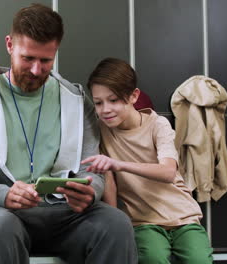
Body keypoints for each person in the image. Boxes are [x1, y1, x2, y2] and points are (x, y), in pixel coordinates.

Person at [0, 4, 137, 264]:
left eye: (46, 60)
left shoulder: (76, 99)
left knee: (116, 224)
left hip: (63, 212)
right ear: (9, 45)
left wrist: (91, 192)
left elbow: (92, 169)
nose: (37, 70)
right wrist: (1, 194)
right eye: (28, 58)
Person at [82, 57, 213, 264]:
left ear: (133, 96)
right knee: (153, 258)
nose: (105, 109)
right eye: (98, 103)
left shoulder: (158, 125)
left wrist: (119, 164)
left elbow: (168, 172)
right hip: (143, 223)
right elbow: (109, 180)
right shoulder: (100, 130)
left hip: (183, 217)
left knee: (199, 260)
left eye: (113, 100)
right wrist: (116, 221)